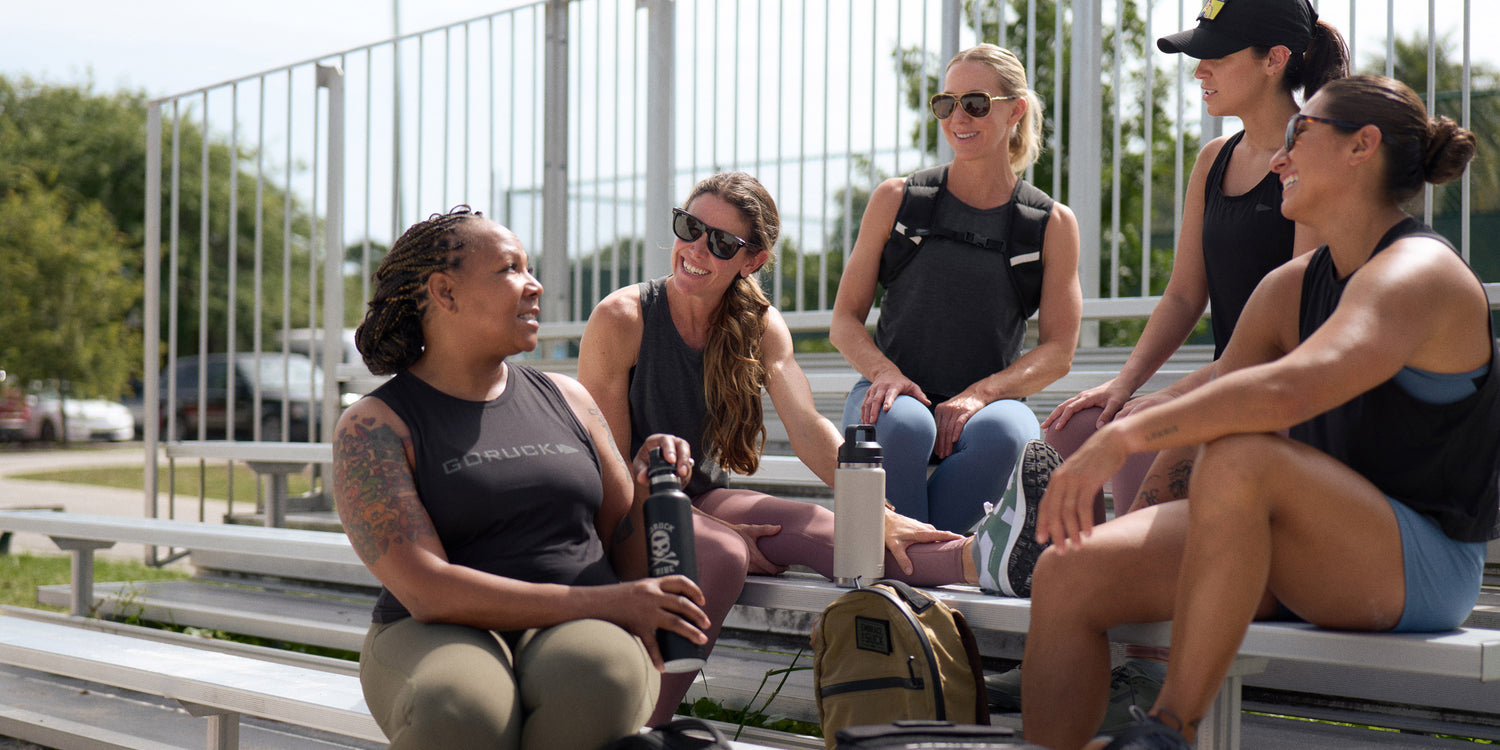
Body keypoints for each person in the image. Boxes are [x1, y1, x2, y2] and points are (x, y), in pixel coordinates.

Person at [1021, 75, 1490, 750]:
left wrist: (1118, 439)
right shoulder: (1289, 289)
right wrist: (1140, 520)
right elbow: (1209, 417)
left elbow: (1291, 392)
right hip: (1298, 545)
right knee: (1069, 571)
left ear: (1363, 146)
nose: (1278, 158)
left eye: (1301, 134)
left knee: (1243, 457)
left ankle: (1165, 732)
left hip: (1419, 566)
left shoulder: (1421, 272)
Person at [579, 171, 1052, 726]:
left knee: (824, 525)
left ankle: (982, 558)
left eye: (722, 242)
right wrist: (721, 531)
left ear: (750, 261)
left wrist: (869, 511)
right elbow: (610, 476)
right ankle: (641, 726)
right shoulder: (625, 317)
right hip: (627, 509)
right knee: (725, 554)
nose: (697, 248)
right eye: (690, 227)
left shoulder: (758, 326)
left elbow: (806, 429)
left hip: (699, 499)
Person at [1020, 0, 1350, 728]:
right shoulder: (1213, 159)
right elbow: (1182, 295)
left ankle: (1137, 678)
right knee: (1094, 426)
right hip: (1230, 394)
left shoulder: (1314, 162)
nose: (1199, 69)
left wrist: (1167, 407)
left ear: (1275, 60)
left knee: (1135, 465)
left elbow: (1281, 343)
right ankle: (1042, 590)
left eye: (1218, 53)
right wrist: (1124, 385)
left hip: (1278, 415)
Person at [333, 206, 711, 750]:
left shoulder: (569, 399)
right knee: (460, 708)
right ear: (445, 292)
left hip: (581, 626)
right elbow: (428, 591)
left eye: (529, 268)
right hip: (435, 632)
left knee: (600, 675)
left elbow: (623, 555)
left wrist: (647, 496)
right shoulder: (374, 426)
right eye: (510, 269)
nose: (534, 286)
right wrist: (607, 603)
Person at [830, 43, 1082, 535]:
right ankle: (929, 571)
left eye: (976, 103)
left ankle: (914, 570)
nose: (958, 117)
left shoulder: (1049, 223)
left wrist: (980, 396)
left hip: (990, 404)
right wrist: (885, 374)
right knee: (904, 427)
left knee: (1010, 435)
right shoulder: (897, 200)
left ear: (1016, 110)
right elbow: (844, 321)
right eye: (946, 103)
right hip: (893, 395)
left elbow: (1058, 351)